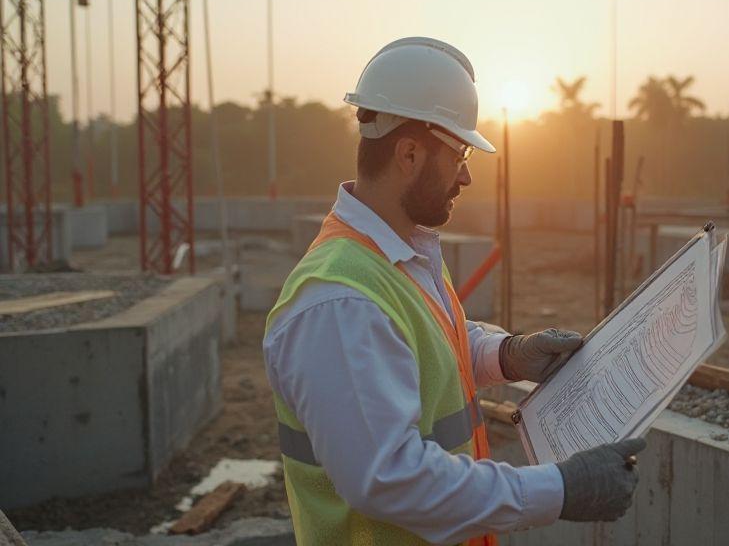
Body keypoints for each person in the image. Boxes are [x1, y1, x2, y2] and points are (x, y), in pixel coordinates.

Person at [263, 37, 645, 546]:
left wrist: (506, 355)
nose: (466, 175)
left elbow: (422, 345)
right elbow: (391, 480)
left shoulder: (400, 253)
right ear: (410, 153)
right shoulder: (340, 302)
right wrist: (562, 488)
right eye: (460, 152)